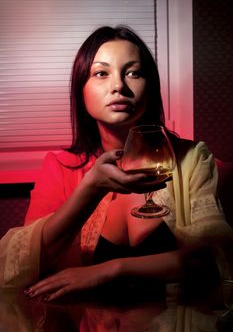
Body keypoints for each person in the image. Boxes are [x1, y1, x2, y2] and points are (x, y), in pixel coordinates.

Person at [0, 26, 232, 300]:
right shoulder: (61, 167)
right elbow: (17, 267)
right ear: (80, 89)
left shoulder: (193, 160)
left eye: (133, 73)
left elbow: (211, 260)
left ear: (151, 87)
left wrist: (112, 270)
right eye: (101, 73)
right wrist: (91, 188)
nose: (119, 86)